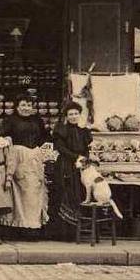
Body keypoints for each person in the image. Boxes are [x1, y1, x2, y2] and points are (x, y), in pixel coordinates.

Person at [50, 101, 94, 239]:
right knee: (65, 194)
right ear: (66, 116)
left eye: (76, 114)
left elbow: (87, 148)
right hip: (65, 166)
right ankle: (63, 232)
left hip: (79, 167)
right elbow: (60, 148)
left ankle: (77, 230)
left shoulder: (83, 131)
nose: (74, 116)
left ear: (80, 115)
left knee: (78, 194)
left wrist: (85, 159)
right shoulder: (61, 130)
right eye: (71, 114)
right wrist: (77, 157)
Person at [2, 136, 57, 236]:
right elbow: (5, 138)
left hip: (35, 158)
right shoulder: (12, 121)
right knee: (21, 197)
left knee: (34, 197)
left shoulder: (38, 122)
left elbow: (46, 139)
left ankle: (33, 228)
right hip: (19, 158)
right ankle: (20, 229)